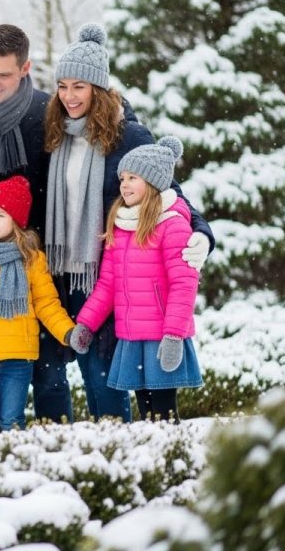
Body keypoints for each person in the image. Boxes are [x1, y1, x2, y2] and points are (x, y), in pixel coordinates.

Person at [0, 24, 214, 430]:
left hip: (53, 269)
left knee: (68, 376)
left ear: (25, 68)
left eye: (4, 74)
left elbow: (158, 180)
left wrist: (202, 232)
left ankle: (70, 453)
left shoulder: (45, 115)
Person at [44, 23, 214, 423]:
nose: (69, 96)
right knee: (50, 377)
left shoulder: (129, 137)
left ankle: (124, 456)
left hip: (103, 273)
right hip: (56, 272)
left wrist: (202, 234)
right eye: (63, 86)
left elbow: (170, 193)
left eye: (80, 87)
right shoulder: (53, 134)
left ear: (99, 90)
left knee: (104, 379)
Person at [70, 137, 203, 422]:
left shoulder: (173, 225)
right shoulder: (121, 226)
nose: (124, 184)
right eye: (122, 178)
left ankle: (172, 461)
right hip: (132, 336)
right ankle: (151, 462)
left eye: (133, 177)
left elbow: (184, 285)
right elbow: (108, 284)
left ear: (154, 182)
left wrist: (174, 335)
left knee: (164, 414)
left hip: (161, 336)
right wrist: (86, 323)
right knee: (146, 414)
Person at [0, 176, 88, 443]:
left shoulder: (32, 260)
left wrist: (69, 332)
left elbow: (46, 304)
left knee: (11, 421)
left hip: (18, 358)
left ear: (17, 221)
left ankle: (11, 471)